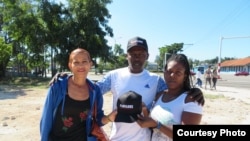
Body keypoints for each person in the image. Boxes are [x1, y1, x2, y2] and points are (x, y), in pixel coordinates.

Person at [49, 36, 205, 141]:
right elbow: (91, 90)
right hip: (118, 138)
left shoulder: (156, 80)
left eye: (141, 53)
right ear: (126, 56)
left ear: (147, 56)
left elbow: (176, 90)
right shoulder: (114, 75)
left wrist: (194, 91)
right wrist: (71, 78)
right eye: (132, 53)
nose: (137, 57)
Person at [40, 48, 117, 141]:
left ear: (90, 64)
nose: (80, 65)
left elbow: (97, 119)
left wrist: (109, 118)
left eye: (84, 61)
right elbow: (46, 120)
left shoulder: (95, 91)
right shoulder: (57, 87)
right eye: (76, 62)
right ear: (70, 65)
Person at [137, 54, 203, 141]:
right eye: (169, 71)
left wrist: (158, 125)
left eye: (178, 72)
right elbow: (152, 127)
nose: (172, 75)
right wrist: (145, 111)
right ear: (164, 73)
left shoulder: (191, 99)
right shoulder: (160, 95)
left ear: (185, 76)